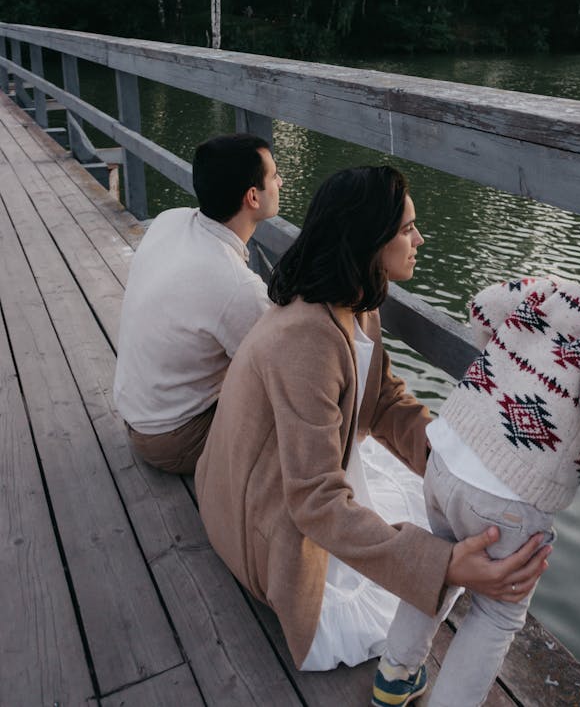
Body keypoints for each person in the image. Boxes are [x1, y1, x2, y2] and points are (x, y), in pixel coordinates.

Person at [195, 166, 551, 672]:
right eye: (407, 229)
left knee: (438, 503)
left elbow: (382, 398)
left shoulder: (353, 298)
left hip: (271, 483)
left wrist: (451, 463)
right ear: (369, 238)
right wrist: (446, 567)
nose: (420, 239)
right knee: (425, 560)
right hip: (263, 525)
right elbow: (315, 500)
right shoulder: (307, 340)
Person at [372, 225, 580, 707]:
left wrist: (517, 370)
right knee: (495, 615)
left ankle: (394, 676)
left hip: (448, 453)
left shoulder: (554, 290)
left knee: (441, 563)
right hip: (507, 495)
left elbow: (486, 306)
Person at [114, 133, 282, 474]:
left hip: (138, 414)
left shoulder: (169, 220)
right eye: (274, 176)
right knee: (294, 414)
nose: (281, 181)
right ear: (252, 196)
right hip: (172, 440)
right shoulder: (236, 286)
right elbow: (280, 373)